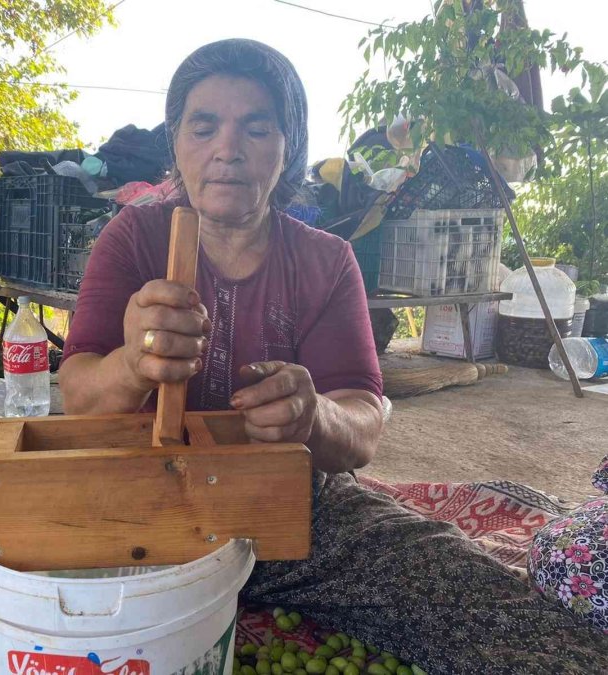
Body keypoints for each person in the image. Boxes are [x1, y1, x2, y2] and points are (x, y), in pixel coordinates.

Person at [59, 39, 608, 674]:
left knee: (493, 610)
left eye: (257, 128)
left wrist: (312, 416)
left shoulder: (326, 260)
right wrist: (132, 362)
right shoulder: (134, 236)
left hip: (288, 501)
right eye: (203, 126)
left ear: (288, 146)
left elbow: (363, 422)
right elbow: (78, 393)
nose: (227, 150)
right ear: (177, 143)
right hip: (137, 497)